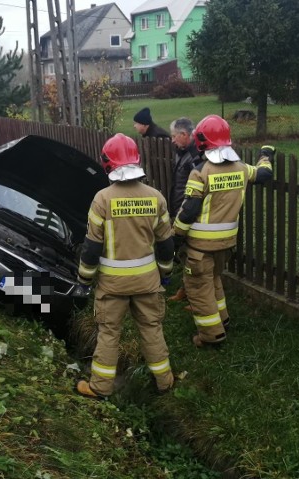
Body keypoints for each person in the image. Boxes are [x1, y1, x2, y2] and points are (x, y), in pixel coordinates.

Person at [75, 133, 176, 399]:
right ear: (136, 161)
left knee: (109, 333)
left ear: (108, 164)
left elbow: (91, 247)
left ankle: (100, 387)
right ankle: (165, 382)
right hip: (147, 281)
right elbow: (166, 245)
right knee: (152, 329)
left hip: (112, 285)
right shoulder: (156, 198)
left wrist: (84, 281)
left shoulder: (102, 199)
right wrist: (166, 273)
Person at [173, 114, 274, 347]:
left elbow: (188, 211)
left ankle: (211, 336)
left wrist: (176, 236)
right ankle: (222, 320)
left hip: (200, 246)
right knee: (214, 279)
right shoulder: (241, 168)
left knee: (198, 287)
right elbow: (264, 174)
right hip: (227, 243)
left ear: (201, 141)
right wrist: (266, 155)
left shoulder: (200, 171)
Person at [167, 117, 201, 304]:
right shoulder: (182, 151)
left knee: (189, 254)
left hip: (187, 210)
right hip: (178, 207)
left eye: (174, 136)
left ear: (184, 135)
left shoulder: (195, 156)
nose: (171, 140)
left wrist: (185, 210)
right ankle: (186, 289)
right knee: (183, 253)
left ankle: (192, 294)